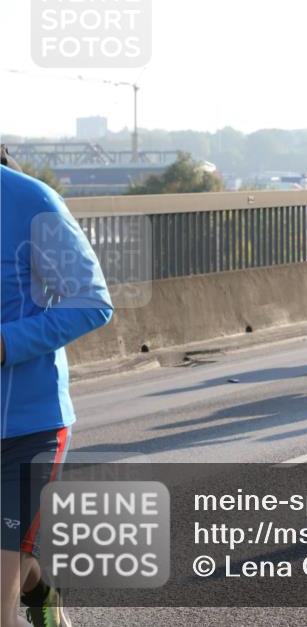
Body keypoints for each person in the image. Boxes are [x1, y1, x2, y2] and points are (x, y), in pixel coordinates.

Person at [2, 150, 114, 627]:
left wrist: (6, 344)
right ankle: (39, 588)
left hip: (27, 429)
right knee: (13, 566)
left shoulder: (30, 201)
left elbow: (92, 302)